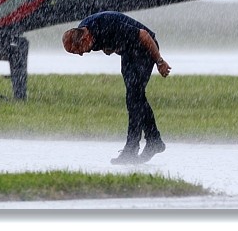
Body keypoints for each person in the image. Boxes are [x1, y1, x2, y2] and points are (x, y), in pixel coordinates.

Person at [62, 11, 171, 164]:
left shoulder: (107, 26)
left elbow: (144, 35)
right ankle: (154, 140)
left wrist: (160, 61)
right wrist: (112, 47)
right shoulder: (84, 32)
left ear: (85, 38)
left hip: (145, 48)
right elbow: (107, 46)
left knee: (134, 97)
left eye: (78, 50)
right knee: (135, 97)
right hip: (128, 51)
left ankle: (132, 148)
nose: (80, 54)